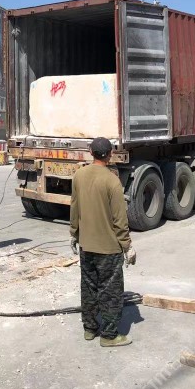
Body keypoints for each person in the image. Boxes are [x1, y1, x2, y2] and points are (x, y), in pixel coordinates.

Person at [70, 136, 136, 346]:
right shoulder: (112, 181)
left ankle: (90, 329)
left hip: (86, 245)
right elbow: (119, 219)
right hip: (108, 248)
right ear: (110, 155)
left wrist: (74, 234)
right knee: (110, 291)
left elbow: (74, 207)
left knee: (88, 287)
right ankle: (109, 336)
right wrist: (127, 246)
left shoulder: (79, 175)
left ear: (90, 152)